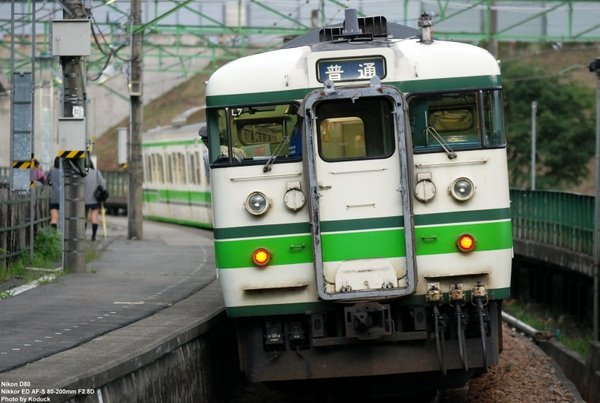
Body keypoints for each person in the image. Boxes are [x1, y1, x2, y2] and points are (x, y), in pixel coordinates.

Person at [84, 160, 106, 241]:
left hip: (84, 200)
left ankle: (83, 235)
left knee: (84, 217)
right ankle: (93, 236)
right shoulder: (97, 173)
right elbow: (102, 184)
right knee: (94, 217)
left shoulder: (83, 173)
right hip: (94, 199)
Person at [46, 157, 61, 229]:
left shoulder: (51, 171)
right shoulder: (66, 172)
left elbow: (47, 182)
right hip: (65, 198)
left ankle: (54, 237)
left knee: (54, 218)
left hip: (54, 197)